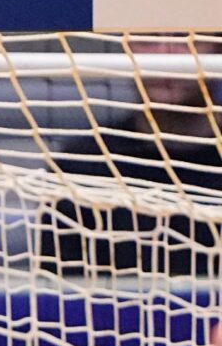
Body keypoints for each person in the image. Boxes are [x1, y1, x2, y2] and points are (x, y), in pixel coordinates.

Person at [41, 36, 221, 276]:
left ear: (217, 47)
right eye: (148, 40)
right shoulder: (83, 164)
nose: (166, 56)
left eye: (184, 39)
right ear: (127, 47)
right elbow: (56, 291)